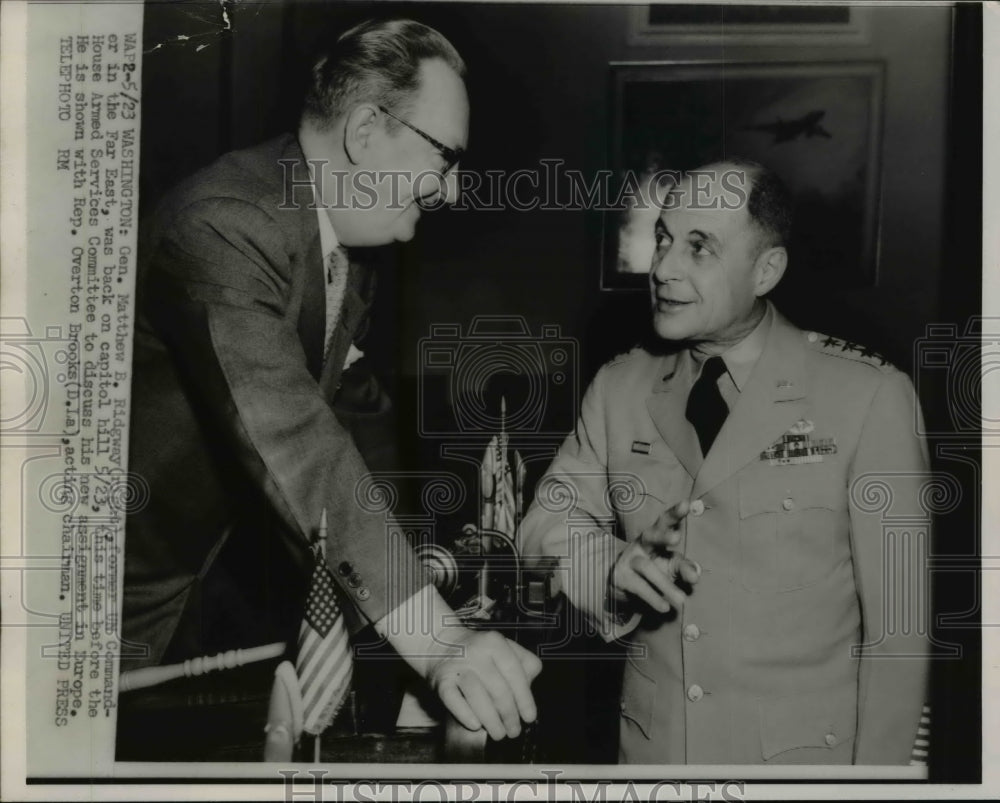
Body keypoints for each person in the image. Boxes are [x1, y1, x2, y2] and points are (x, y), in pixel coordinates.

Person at [123, 18, 540, 745]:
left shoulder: (343, 248)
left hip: (225, 605)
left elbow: (358, 415)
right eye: (445, 156)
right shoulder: (225, 223)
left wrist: (414, 596)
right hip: (132, 618)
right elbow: (297, 442)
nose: (448, 189)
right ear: (368, 131)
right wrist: (436, 643)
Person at [519, 160, 930, 764]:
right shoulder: (620, 386)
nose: (662, 268)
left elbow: (901, 636)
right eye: (662, 238)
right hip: (656, 764)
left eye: (699, 247)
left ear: (767, 270)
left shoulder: (868, 396)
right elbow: (543, 526)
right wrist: (607, 566)